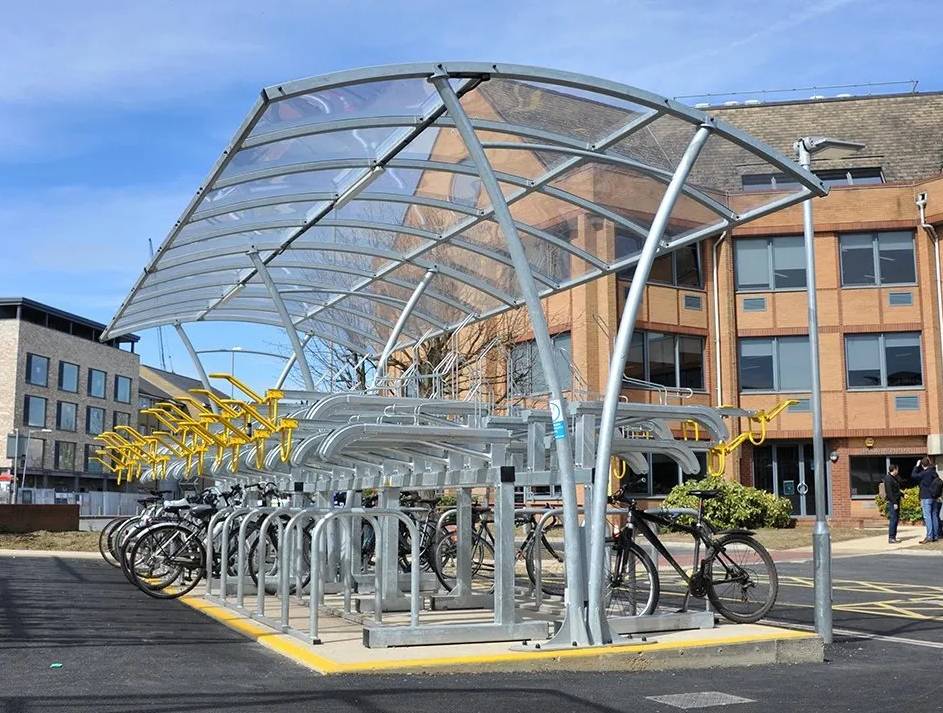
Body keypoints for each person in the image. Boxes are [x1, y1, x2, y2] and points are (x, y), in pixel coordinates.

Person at [911, 457, 941, 543]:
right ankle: (935, 536)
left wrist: (916, 466)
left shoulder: (924, 473)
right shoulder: (934, 472)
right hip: (934, 497)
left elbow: (913, 475)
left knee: (927, 517)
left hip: (926, 497)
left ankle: (929, 536)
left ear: (922, 465)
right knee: (934, 516)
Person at [883, 464, 904, 543]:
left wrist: (902, 494)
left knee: (896, 519)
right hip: (893, 502)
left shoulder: (894, 478)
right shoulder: (888, 478)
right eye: (897, 470)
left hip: (897, 500)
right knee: (893, 519)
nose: (898, 471)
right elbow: (889, 492)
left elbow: (897, 489)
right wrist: (894, 502)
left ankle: (894, 536)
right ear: (894, 470)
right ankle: (891, 537)